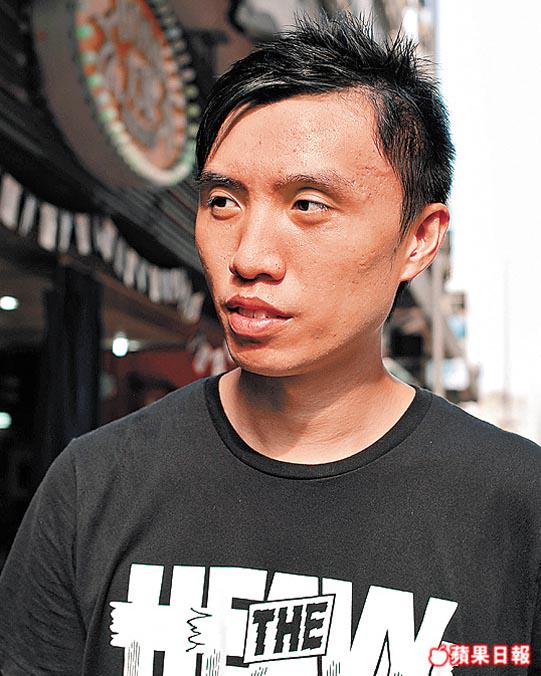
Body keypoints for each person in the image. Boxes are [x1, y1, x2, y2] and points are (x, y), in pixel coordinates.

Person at [0, 12, 540, 676]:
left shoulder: (516, 506)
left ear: (418, 239)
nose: (249, 257)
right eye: (223, 202)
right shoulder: (95, 485)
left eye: (308, 204)